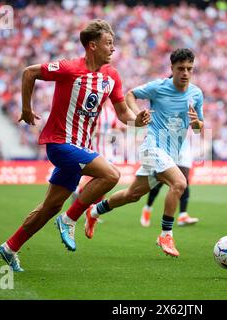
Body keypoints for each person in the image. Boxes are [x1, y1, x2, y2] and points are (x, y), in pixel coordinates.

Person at [0, 19, 150, 272]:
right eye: (108, 43)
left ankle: (10, 247)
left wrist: (138, 120)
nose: (113, 48)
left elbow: (123, 113)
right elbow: (29, 72)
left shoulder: (111, 76)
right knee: (111, 174)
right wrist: (26, 108)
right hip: (59, 144)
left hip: (79, 147)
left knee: (50, 206)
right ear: (92, 46)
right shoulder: (69, 68)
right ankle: (70, 219)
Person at [85, 48, 204, 257]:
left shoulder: (196, 93)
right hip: (152, 148)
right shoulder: (158, 87)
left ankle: (94, 211)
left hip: (170, 154)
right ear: (172, 69)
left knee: (132, 195)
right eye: (181, 68)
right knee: (180, 183)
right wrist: (135, 113)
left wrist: (197, 123)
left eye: (189, 69)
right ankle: (166, 234)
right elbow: (131, 94)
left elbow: (198, 127)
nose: (185, 73)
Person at [140, 139, 199, 227]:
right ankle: (147, 208)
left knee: (184, 181)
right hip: (168, 146)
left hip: (183, 147)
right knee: (159, 182)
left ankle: (183, 215)